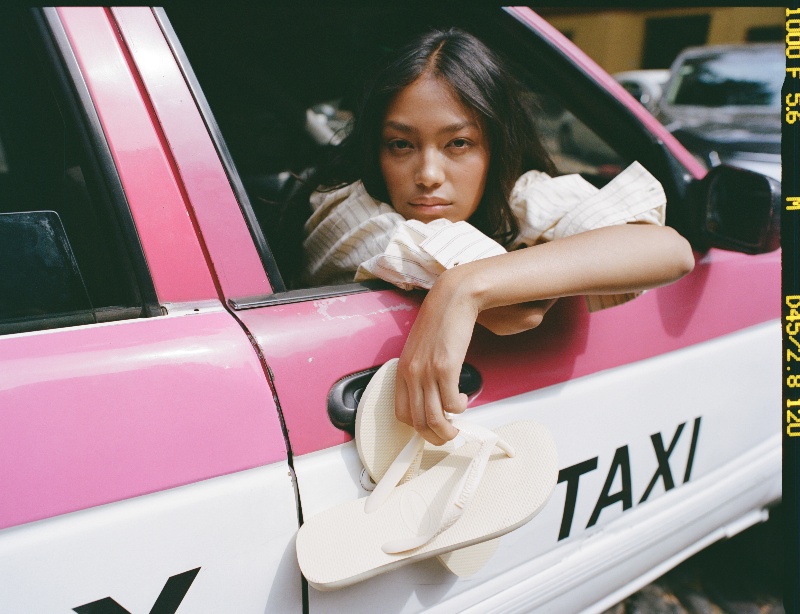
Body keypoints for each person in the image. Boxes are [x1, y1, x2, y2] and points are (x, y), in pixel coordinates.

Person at [301, 28, 695, 446]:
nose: (428, 175)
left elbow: (669, 250)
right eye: (401, 144)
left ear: (494, 145)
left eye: (458, 143)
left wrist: (463, 286)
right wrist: (476, 286)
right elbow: (518, 310)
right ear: (376, 148)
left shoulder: (514, 196)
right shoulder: (347, 212)